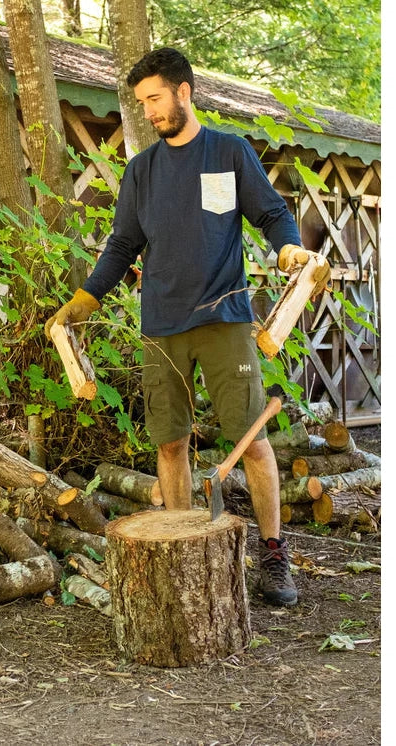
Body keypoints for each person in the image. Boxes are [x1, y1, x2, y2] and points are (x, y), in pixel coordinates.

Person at [45, 47, 328, 606]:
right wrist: (85, 298)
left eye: (155, 98)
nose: (149, 111)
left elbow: (272, 214)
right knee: (170, 443)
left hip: (225, 321)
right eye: (142, 103)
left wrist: (289, 249)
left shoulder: (228, 152)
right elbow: (122, 245)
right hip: (162, 326)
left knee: (250, 440)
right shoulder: (142, 171)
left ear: (183, 92)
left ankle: (274, 555)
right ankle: (180, 553)